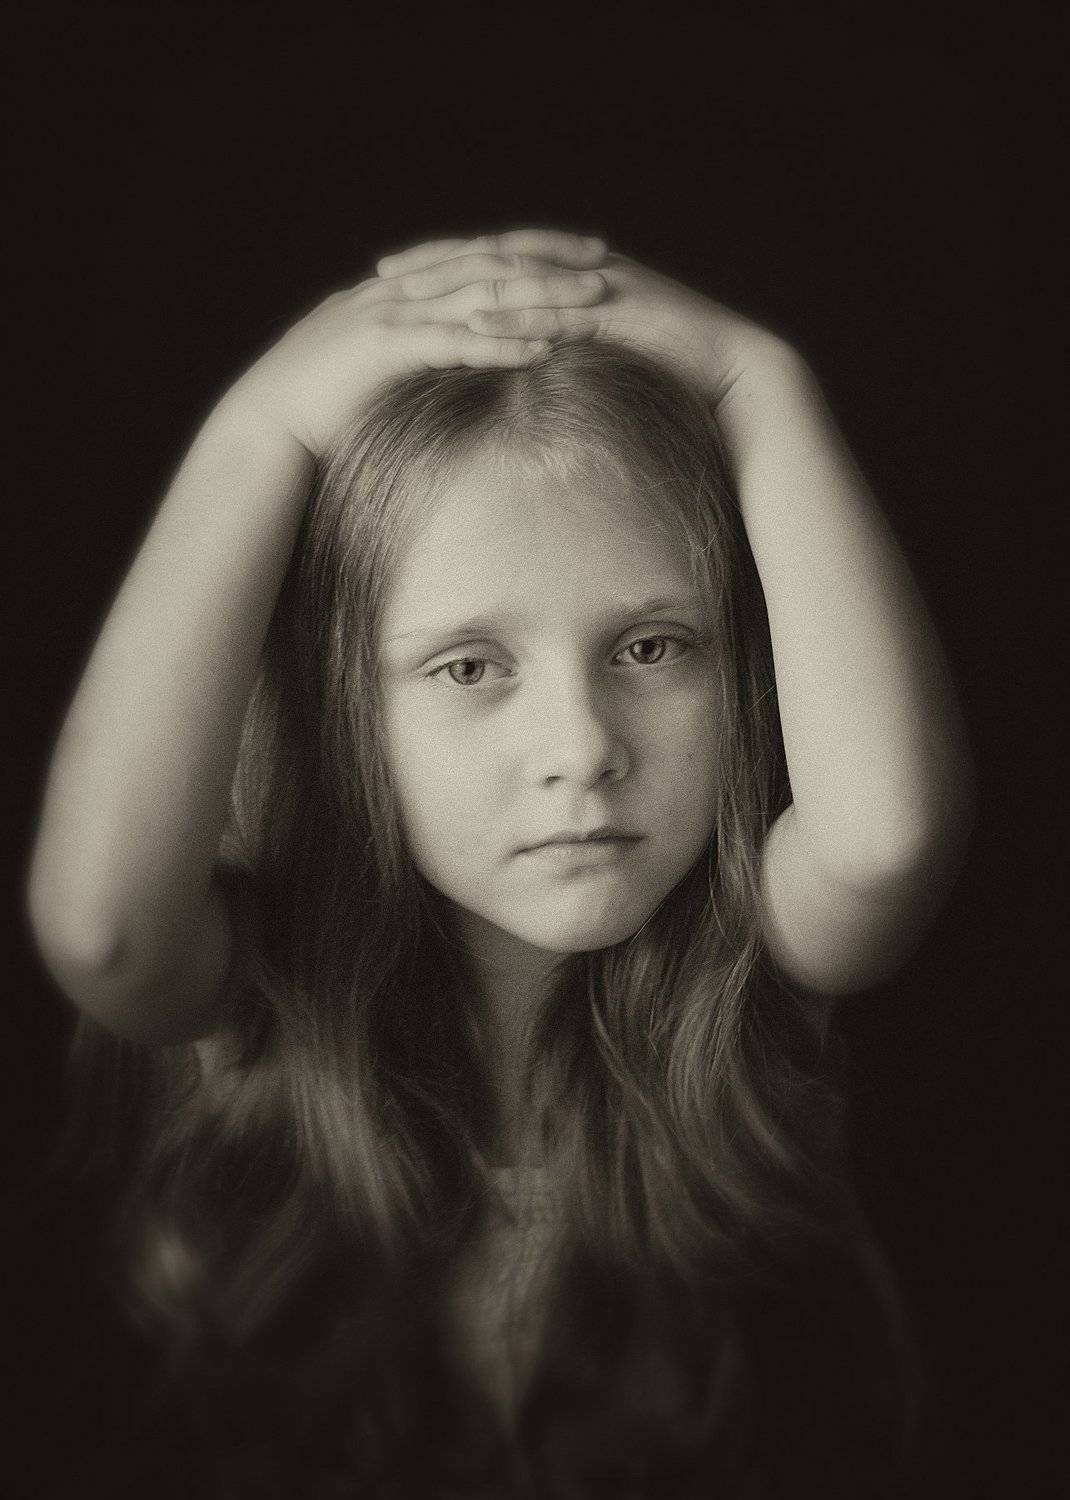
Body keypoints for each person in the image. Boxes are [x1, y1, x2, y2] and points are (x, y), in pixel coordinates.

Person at [27, 228, 974, 1497]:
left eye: (650, 648)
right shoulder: (271, 986)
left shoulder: (747, 955)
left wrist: (757, 375)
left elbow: (888, 839)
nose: (580, 750)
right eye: (469, 667)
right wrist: (262, 427)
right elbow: (103, 932)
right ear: (338, 713)